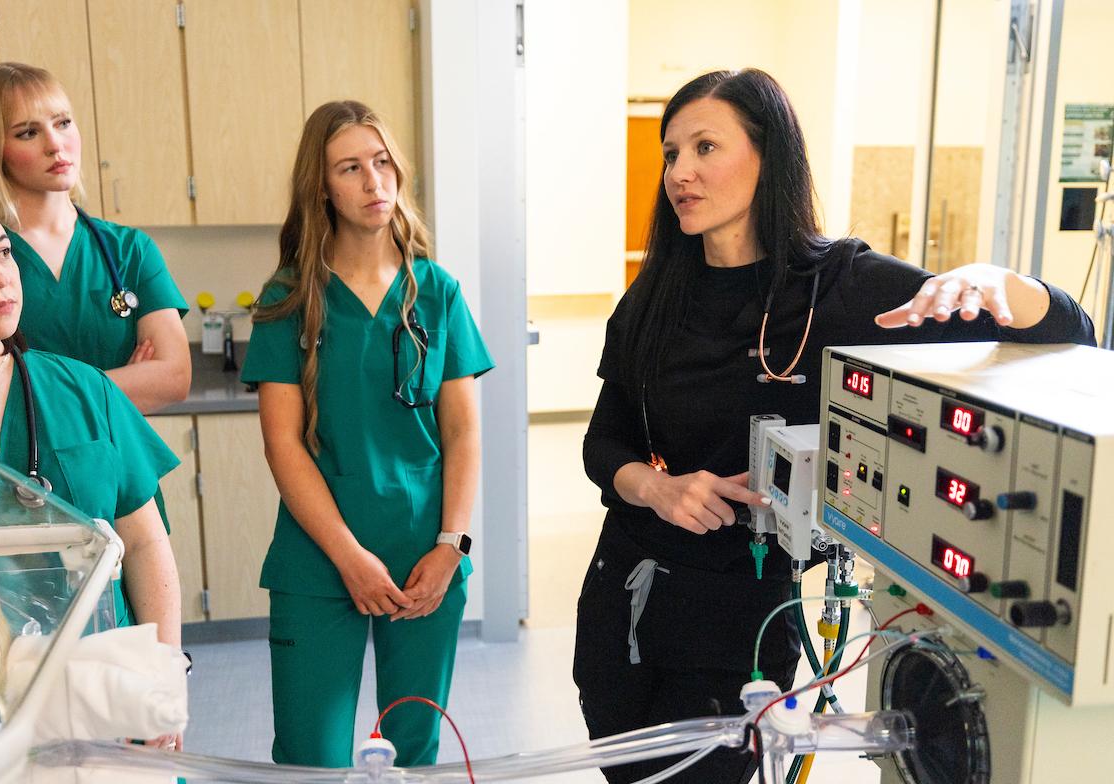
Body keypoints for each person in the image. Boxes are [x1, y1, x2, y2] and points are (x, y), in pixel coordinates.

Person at [575, 68, 1094, 784]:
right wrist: (655, 489)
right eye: (671, 154)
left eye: (704, 148)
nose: (679, 173)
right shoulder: (655, 295)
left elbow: (1069, 335)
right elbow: (603, 444)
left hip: (740, 622)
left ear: (770, 156)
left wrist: (1009, 287)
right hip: (621, 601)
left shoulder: (847, 290)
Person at [241, 100, 493, 768]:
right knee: (310, 756)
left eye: (381, 163)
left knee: (413, 751)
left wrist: (452, 546)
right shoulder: (289, 298)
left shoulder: (435, 292)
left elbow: (465, 433)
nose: (373, 181)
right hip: (319, 556)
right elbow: (282, 444)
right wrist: (349, 558)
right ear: (321, 186)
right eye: (350, 168)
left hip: (426, 555)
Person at [0, 182, 184, 750]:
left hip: (104, 698)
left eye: (4, 252)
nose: (0, 276)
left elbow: (145, 545)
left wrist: (158, 680)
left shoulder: (83, 390)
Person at [0, 63, 190, 415]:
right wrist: (118, 384)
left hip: (120, 464)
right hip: (19, 464)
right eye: (27, 133)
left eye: (63, 123)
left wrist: (39, 392)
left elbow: (174, 378)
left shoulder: (130, 250)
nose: (56, 144)